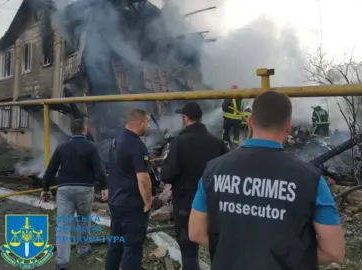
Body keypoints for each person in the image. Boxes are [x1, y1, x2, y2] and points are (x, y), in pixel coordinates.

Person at [188, 91, 345, 269]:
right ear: (288, 127)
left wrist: (235, 253)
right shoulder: (310, 178)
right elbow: (334, 251)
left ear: (249, 123)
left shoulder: (213, 170)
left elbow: (195, 232)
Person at [161, 102, 229, 270]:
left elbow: (167, 175)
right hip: (213, 204)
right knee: (216, 247)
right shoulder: (216, 142)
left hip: (186, 205)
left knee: (189, 250)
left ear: (185, 118)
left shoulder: (179, 143)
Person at [41, 118, 108, 270]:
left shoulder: (61, 147)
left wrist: (45, 188)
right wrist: (105, 186)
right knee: (83, 221)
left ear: (72, 130)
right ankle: (83, 249)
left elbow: (51, 169)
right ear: (84, 130)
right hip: (85, 189)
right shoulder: (92, 147)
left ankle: (62, 261)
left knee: (63, 226)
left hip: (64, 190)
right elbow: (99, 170)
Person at [105, 109, 153, 270]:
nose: (148, 125)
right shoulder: (136, 145)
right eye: (147, 122)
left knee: (115, 243)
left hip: (116, 201)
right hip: (132, 204)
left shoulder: (117, 139)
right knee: (133, 247)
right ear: (140, 122)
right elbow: (143, 178)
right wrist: (147, 202)